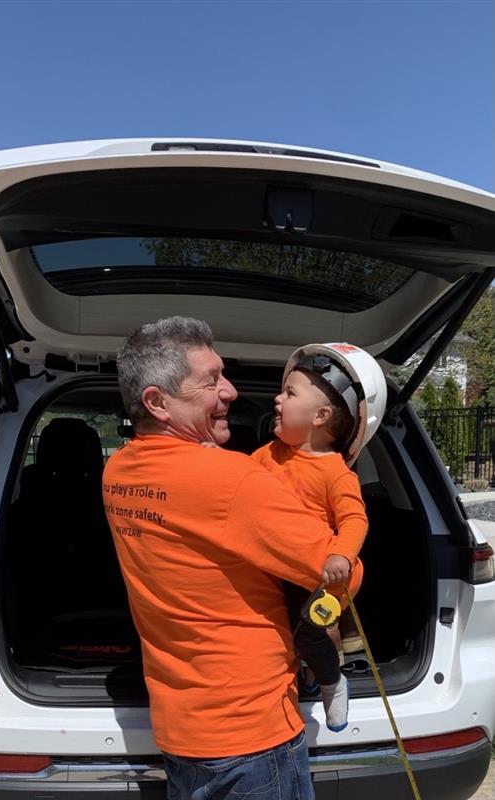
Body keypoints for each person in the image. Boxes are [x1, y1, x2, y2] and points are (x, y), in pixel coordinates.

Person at [102, 317, 360, 800]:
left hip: (181, 729)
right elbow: (340, 574)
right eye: (212, 380)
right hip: (251, 736)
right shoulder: (234, 480)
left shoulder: (117, 472)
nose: (232, 391)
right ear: (157, 402)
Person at [251, 343, 387, 732]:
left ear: (321, 416)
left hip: (322, 574)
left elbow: (355, 520)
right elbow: (235, 480)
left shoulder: (335, 473)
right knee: (279, 633)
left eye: (289, 393)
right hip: (279, 568)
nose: (277, 399)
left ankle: (332, 683)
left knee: (310, 634)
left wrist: (340, 557)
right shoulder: (268, 455)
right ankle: (305, 675)